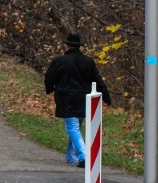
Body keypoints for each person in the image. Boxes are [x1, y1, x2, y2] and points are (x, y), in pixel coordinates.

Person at [44, 33, 111, 168]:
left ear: (67, 45)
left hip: (66, 98)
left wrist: (49, 88)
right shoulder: (88, 61)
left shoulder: (60, 61)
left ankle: (84, 156)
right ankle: (71, 156)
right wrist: (106, 95)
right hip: (84, 99)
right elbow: (97, 80)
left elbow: (49, 77)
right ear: (79, 46)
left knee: (72, 128)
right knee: (75, 127)